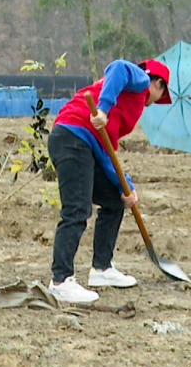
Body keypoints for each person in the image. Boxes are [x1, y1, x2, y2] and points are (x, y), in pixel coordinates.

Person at [47, 59, 172, 303]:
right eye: (160, 95)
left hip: (87, 145)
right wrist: (102, 109)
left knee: (115, 200)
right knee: (77, 210)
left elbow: (106, 153)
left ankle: (102, 269)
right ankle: (61, 281)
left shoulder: (129, 102)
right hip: (73, 137)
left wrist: (125, 186)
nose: (155, 101)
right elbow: (118, 67)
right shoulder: (139, 79)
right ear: (158, 84)